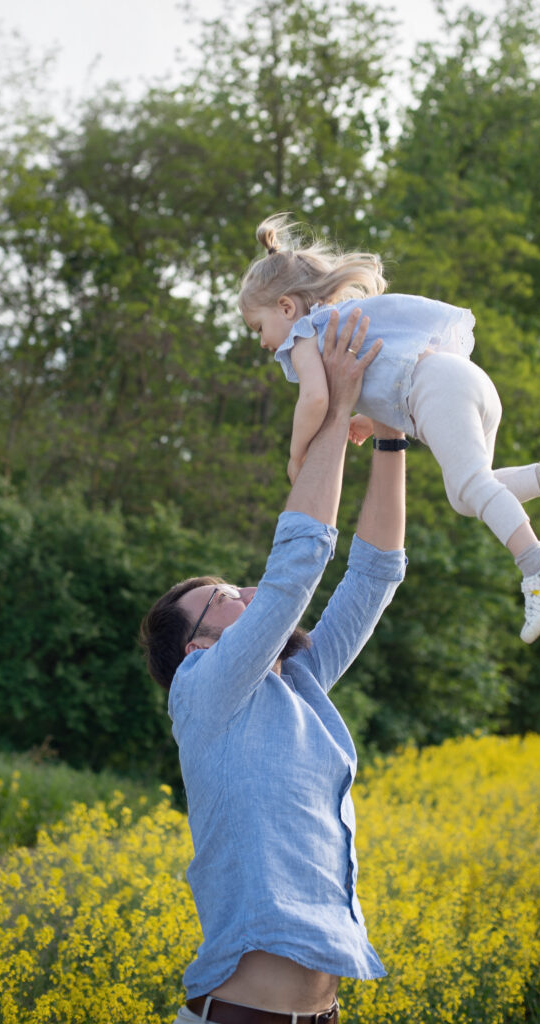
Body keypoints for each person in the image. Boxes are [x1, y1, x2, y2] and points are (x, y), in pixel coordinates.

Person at [140, 310, 407, 1024]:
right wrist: (336, 408)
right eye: (226, 599)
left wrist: (388, 432)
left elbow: (374, 576)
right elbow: (294, 571)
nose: (249, 596)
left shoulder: (296, 684)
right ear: (196, 647)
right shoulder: (203, 691)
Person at [237, 213, 540, 644]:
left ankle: (536, 562)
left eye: (258, 326)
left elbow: (314, 399)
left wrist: (296, 456)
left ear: (286, 307)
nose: (261, 341)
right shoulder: (341, 322)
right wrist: (368, 419)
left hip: (437, 390)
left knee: (473, 485)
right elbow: (388, 373)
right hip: (464, 381)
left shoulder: (307, 336)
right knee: (467, 496)